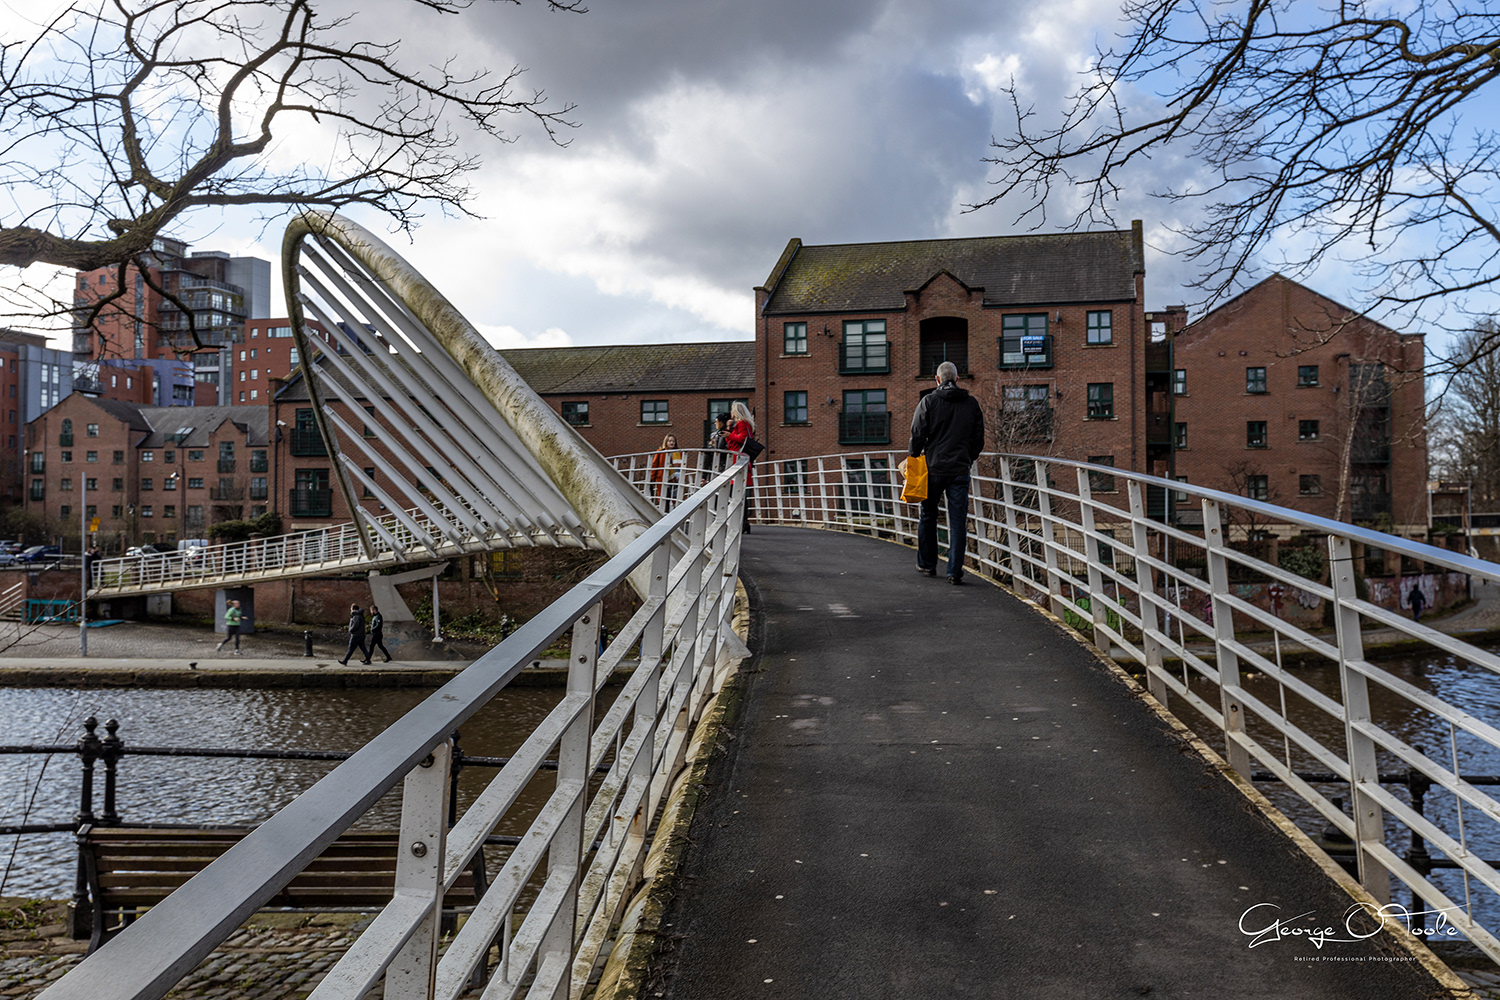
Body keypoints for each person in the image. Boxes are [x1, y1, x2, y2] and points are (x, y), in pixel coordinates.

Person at [909, 361, 985, 584]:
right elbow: (978, 439)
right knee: (958, 521)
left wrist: (914, 457)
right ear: (957, 379)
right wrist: (968, 458)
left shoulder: (929, 401)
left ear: (937, 379)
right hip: (960, 469)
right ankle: (954, 571)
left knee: (928, 515)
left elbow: (917, 433)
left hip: (933, 468)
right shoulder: (971, 404)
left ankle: (927, 564)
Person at [724, 401, 757, 531]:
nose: (731, 413)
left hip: (738, 461)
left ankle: (742, 522)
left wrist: (729, 434)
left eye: (732, 410)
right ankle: (744, 522)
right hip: (741, 461)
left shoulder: (742, 423)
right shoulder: (745, 424)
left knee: (737, 492)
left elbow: (742, 439)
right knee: (739, 492)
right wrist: (729, 430)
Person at [648, 434, 684, 507]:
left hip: (676, 478)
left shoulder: (679, 452)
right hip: (663, 477)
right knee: (665, 497)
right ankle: (665, 511)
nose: (672, 443)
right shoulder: (660, 452)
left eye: (673, 441)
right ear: (666, 442)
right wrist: (652, 476)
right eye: (669, 441)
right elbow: (654, 464)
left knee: (675, 497)